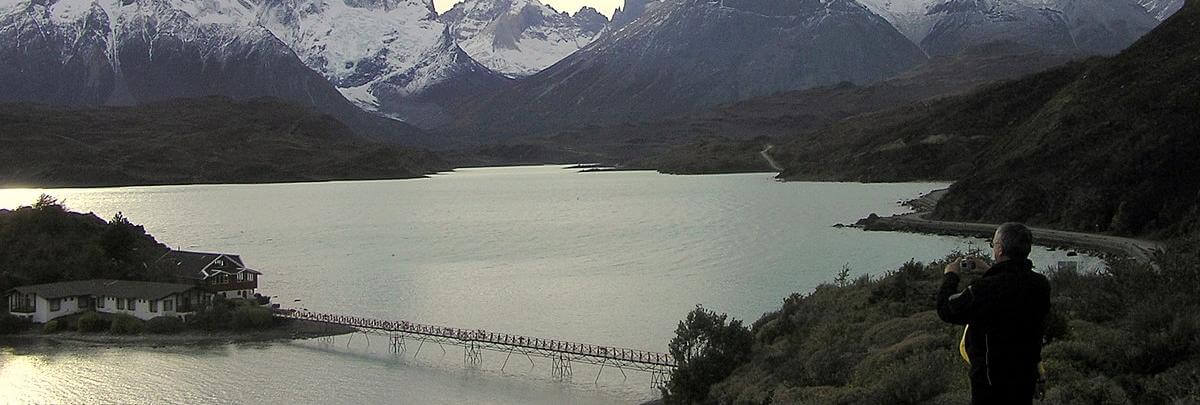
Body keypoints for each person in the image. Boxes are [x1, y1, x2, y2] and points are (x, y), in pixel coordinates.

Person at [937, 222, 1051, 405]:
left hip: (990, 385)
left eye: (993, 244)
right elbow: (1030, 327)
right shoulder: (1040, 285)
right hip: (1024, 379)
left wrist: (951, 275)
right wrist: (990, 270)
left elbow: (946, 309)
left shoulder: (985, 289)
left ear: (1000, 249)